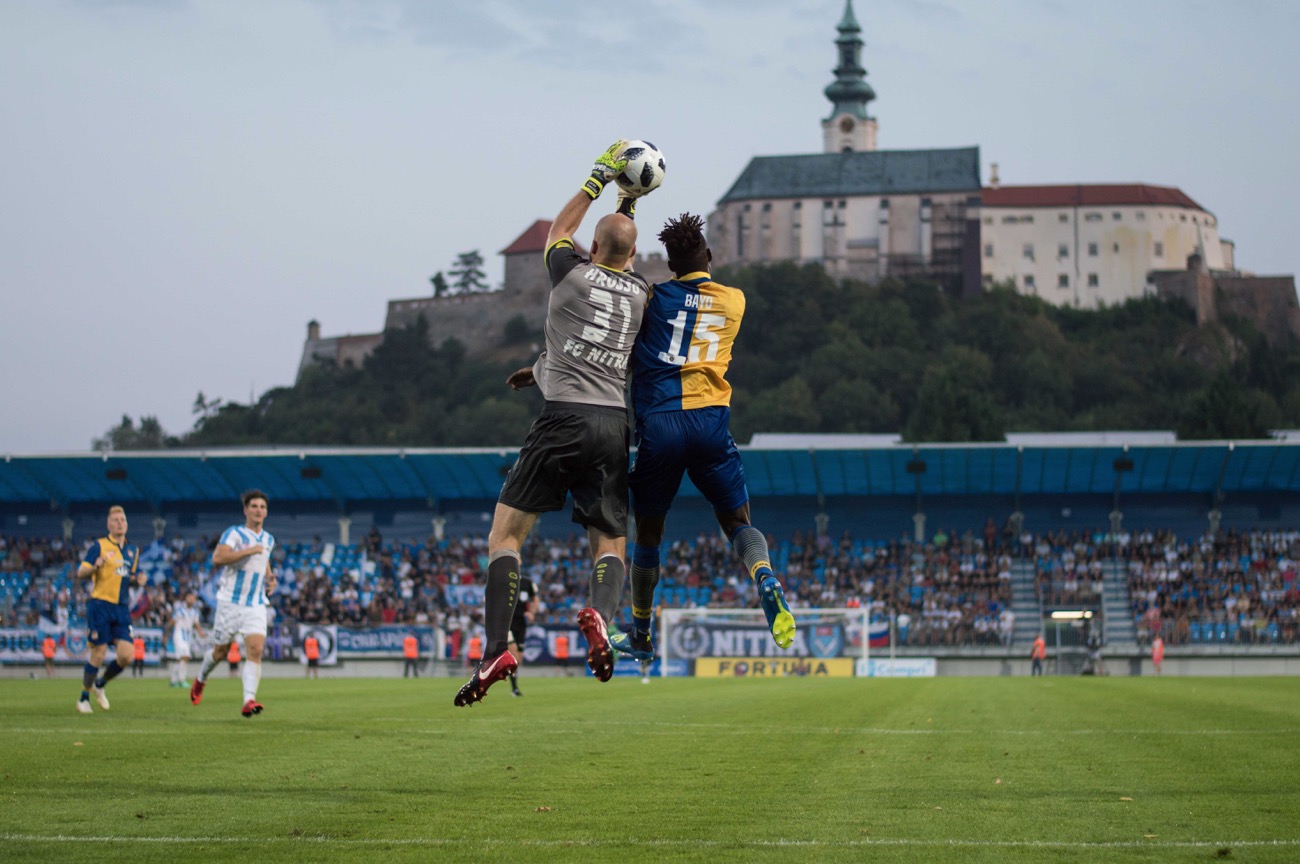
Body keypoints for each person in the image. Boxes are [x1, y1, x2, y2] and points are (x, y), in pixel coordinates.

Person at [454, 140, 650, 708]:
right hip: (613, 424)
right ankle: (601, 615)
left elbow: (561, 233)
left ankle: (496, 649)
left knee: (506, 537)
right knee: (610, 541)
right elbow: (620, 250)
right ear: (634, 256)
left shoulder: (572, 277)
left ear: (593, 248)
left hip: (562, 417)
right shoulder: (642, 293)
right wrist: (629, 199)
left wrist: (598, 179)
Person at [610, 213, 795, 662]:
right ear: (709, 255)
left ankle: (641, 632)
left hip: (661, 424)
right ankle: (764, 575)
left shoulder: (653, 297)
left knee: (648, 535)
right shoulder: (735, 300)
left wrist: (625, 207)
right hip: (711, 423)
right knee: (738, 523)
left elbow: (621, 272)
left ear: (670, 265)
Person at [190, 490, 277, 717]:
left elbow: (263, 558)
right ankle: (201, 679)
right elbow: (218, 558)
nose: (258, 510)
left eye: (262, 507)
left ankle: (249, 700)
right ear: (245, 510)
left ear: (266, 512)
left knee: (255, 650)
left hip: (255, 603)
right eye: (254, 506)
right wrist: (249, 550)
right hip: (230, 603)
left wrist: (270, 576)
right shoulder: (234, 534)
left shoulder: (268, 539)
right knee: (220, 652)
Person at [76, 505, 145, 714]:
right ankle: (83, 698)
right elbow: (81, 572)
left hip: (121, 608)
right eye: (115, 520)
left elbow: (127, 577)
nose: (120, 523)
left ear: (127, 524)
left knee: (126, 656)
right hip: (100, 605)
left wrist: (138, 580)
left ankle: (100, 684)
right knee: (99, 653)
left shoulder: (132, 551)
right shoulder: (99, 546)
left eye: (122, 520)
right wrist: (95, 565)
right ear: (108, 525)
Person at [507, 575, 537, 697]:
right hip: (507, 623)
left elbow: (535, 598)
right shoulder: (504, 579)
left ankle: (504, 671)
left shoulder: (527, 582)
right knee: (513, 655)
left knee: (519, 659)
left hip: (521, 624)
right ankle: (515, 689)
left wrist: (532, 612)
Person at [166, 591, 203, 688]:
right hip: (179, 636)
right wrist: (166, 635)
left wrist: (201, 633)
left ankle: (174, 680)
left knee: (180, 659)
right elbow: (171, 623)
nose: (191, 599)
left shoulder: (194, 612)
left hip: (188, 638)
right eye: (189, 597)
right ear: (185, 598)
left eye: (193, 598)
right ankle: (181, 680)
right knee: (185, 656)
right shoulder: (180, 611)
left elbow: (196, 624)